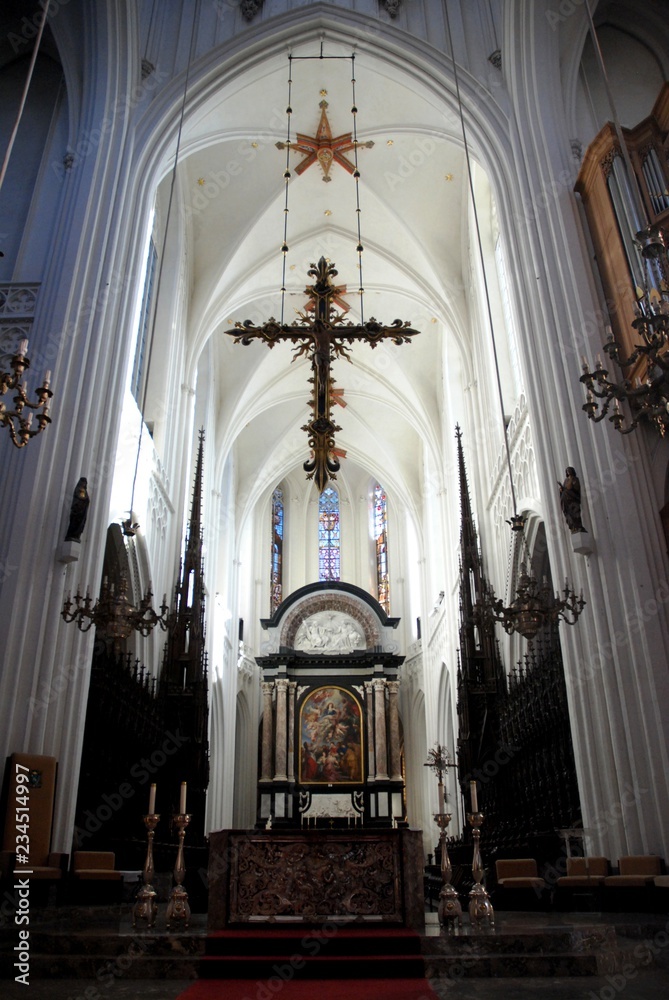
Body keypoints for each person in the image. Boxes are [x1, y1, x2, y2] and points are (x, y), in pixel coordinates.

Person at [558, 467, 587, 533]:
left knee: (575, 513)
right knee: (568, 513)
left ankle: (578, 526)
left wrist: (570, 486)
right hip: (566, 500)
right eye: (567, 471)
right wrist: (561, 489)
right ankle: (572, 527)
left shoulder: (575, 479)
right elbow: (564, 488)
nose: (568, 472)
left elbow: (576, 488)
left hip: (573, 499)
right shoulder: (566, 480)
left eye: (569, 471)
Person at [65, 477, 90, 541]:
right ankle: (71, 534)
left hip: (82, 511)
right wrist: (84, 499)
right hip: (77, 510)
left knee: (80, 524)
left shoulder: (84, 491)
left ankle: (76, 535)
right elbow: (79, 497)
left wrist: (86, 500)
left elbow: (86, 499)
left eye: (85, 483)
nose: (84, 484)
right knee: (74, 523)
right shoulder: (78, 489)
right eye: (83, 483)